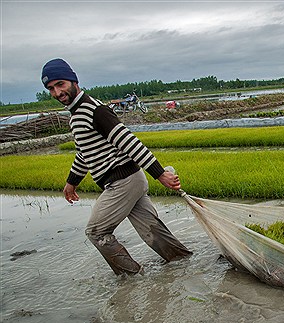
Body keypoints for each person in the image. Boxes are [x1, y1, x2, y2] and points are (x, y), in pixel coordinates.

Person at [41, 58, 192, 275]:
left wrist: (160, 175)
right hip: (130, 180)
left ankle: (131, 278)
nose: (57, 93)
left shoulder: (94, 110)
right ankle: (185, 264)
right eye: (51, 89)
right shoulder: (76, 116)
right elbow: (84, 153)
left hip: (122, 182)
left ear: (74, 81)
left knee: (96, 232)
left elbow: (129, 142)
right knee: (153, 232)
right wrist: (71, 183)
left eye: (60, 84)